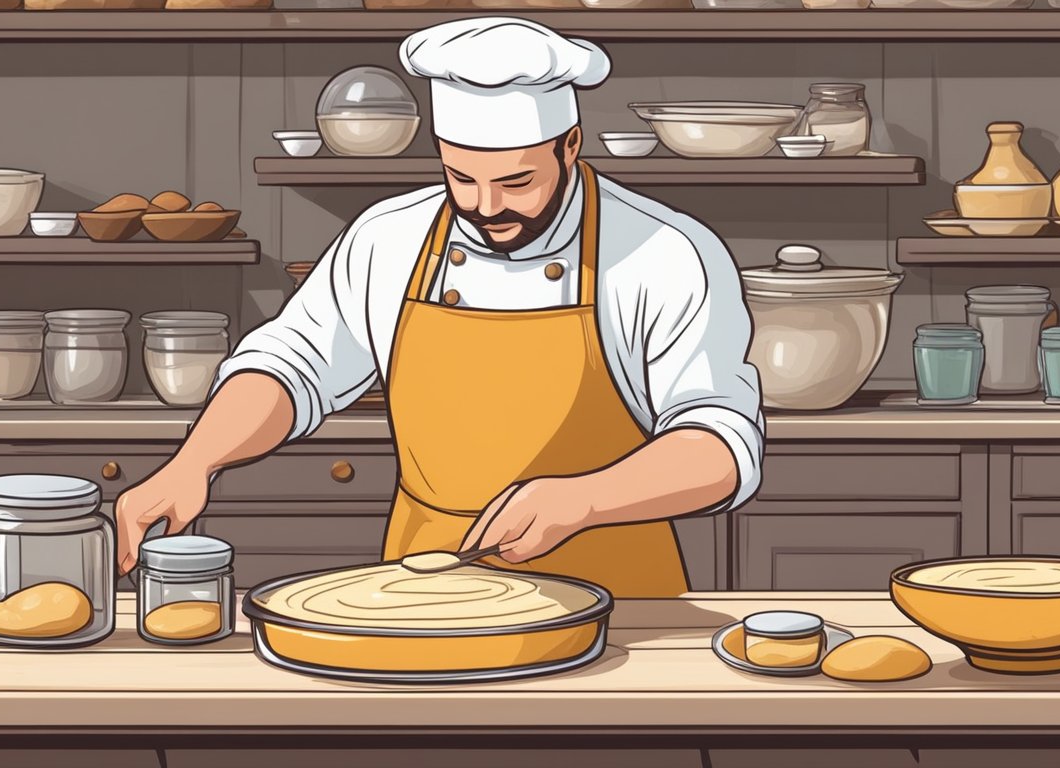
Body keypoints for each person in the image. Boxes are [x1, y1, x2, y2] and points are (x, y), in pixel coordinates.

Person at [116, 16, 764, 598]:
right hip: (425, 586)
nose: (485, 207)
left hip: (614, 589)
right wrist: (194, 461)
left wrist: (586, 499)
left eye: (516, 182)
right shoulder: (389, 237)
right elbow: (291, 365)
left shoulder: (661, 251)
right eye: (462, 178)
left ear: (570, 146)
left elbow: (721, 445)